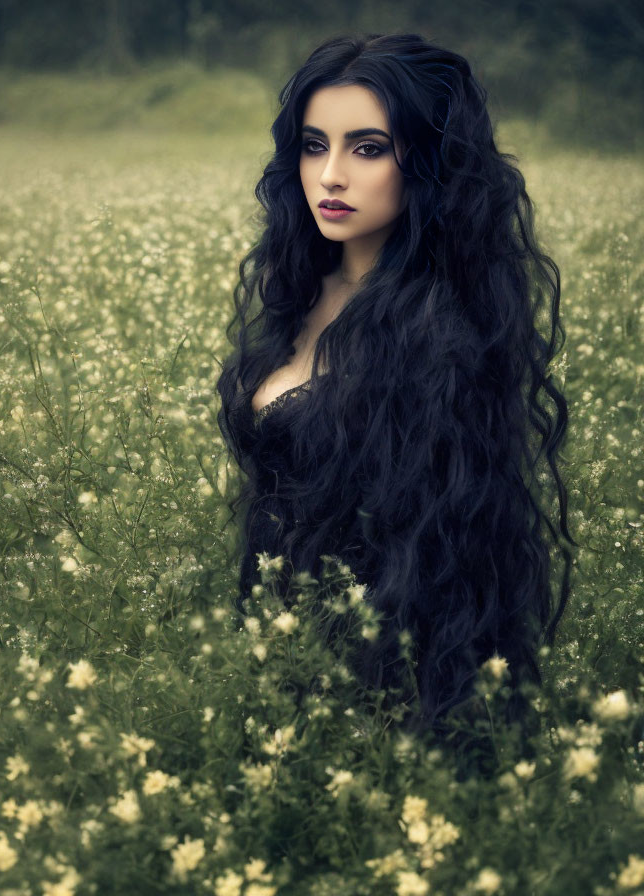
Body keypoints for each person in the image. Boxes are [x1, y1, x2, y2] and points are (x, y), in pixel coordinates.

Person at [215, 31, 577, 736]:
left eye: (368, 148)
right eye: (314, 145)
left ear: (430, 163)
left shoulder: (440, 335)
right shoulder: (296, 294)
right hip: (277, 672)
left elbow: (438, 576)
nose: (329, 176)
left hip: (382, 700)